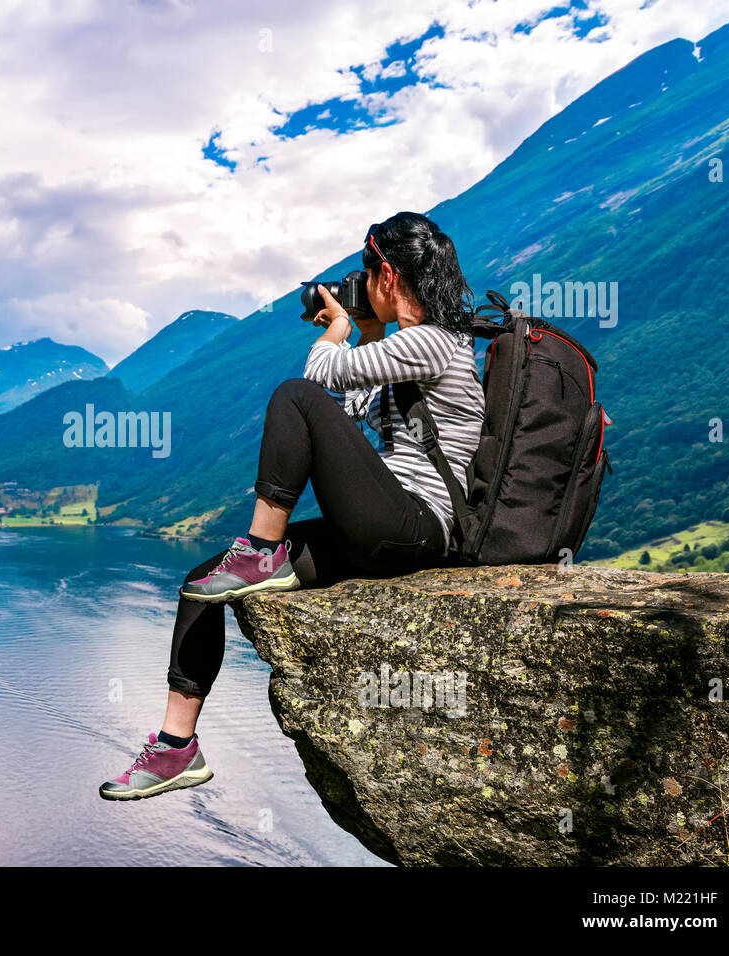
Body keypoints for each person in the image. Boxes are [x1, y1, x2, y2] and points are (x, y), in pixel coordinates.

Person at [100, 211, 485, 800]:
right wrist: (368, 331)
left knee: (294, 395)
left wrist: (335, 332)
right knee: (203, 581)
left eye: (365, 273)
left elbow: (319, 378)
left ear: (385, 273)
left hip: (418, 527)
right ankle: (178, 747)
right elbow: (349, 415)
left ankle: (260, 548)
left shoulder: (435, 341)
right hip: (384, 525)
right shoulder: (411, 347)